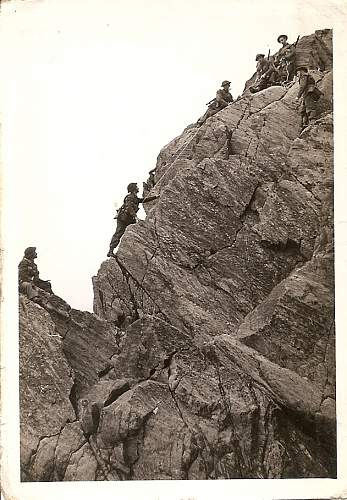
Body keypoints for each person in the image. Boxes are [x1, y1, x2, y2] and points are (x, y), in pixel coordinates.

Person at [107, 183, 143, 257]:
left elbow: (143, 200)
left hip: (129, 219)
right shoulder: (129, 197)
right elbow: (129, 207)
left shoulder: (135, 198)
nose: (138, 188)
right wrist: (135, 216)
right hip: (123, 218)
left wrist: (156, 197)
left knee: (133, 232)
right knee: (119, 233)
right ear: (133, 189)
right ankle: (110, 251)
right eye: (136, 187)